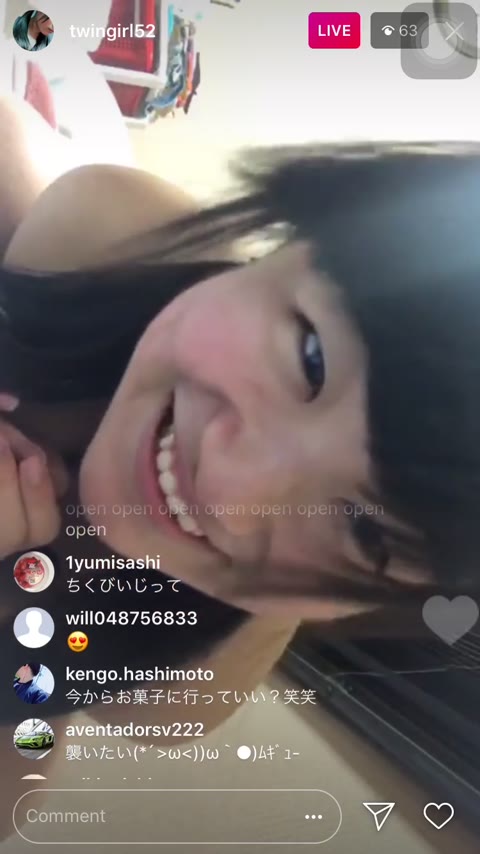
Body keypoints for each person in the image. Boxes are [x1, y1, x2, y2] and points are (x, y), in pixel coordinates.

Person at [0, 97, 479, 733]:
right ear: (297, 235)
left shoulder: (174, 688)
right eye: (312, 359)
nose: (234, 495)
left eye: (365, 531)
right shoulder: (105, 237)